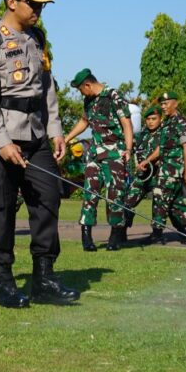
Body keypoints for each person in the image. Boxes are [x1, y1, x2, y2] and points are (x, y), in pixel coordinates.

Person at [0, 0, 78, 309]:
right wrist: (3, 142)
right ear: (12, 2)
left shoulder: (37, 39)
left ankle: (44, 279)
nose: (39, 10)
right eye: (34, 3)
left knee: (48, 199)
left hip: (35, 135)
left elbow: (47, 88)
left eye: (42, 4)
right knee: (0, 209)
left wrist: (56, 130)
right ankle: (3, 284)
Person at [62, 68, 134, 252]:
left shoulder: (113, 96)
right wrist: (66, 138)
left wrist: (128, 149)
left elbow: (126, 123)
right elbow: (84, 122)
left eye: (80, 89)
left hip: (114, 154)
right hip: (94, 155)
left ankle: (115, 236)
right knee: (90, 194)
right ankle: (86, 236)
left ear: (88, 84)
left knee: (114, 196)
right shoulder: (89, 100)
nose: (81, 93)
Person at [135, 92, 186, 244]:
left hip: (173, 169)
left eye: (166, 103)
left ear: (176, 103)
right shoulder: (167, 124)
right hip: (164, 169)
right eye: (161, 104)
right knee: (174, 202)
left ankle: (157, 233)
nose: (163, 106)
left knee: (160, 198)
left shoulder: (182, 123)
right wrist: (147, 161)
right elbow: (161, 149)